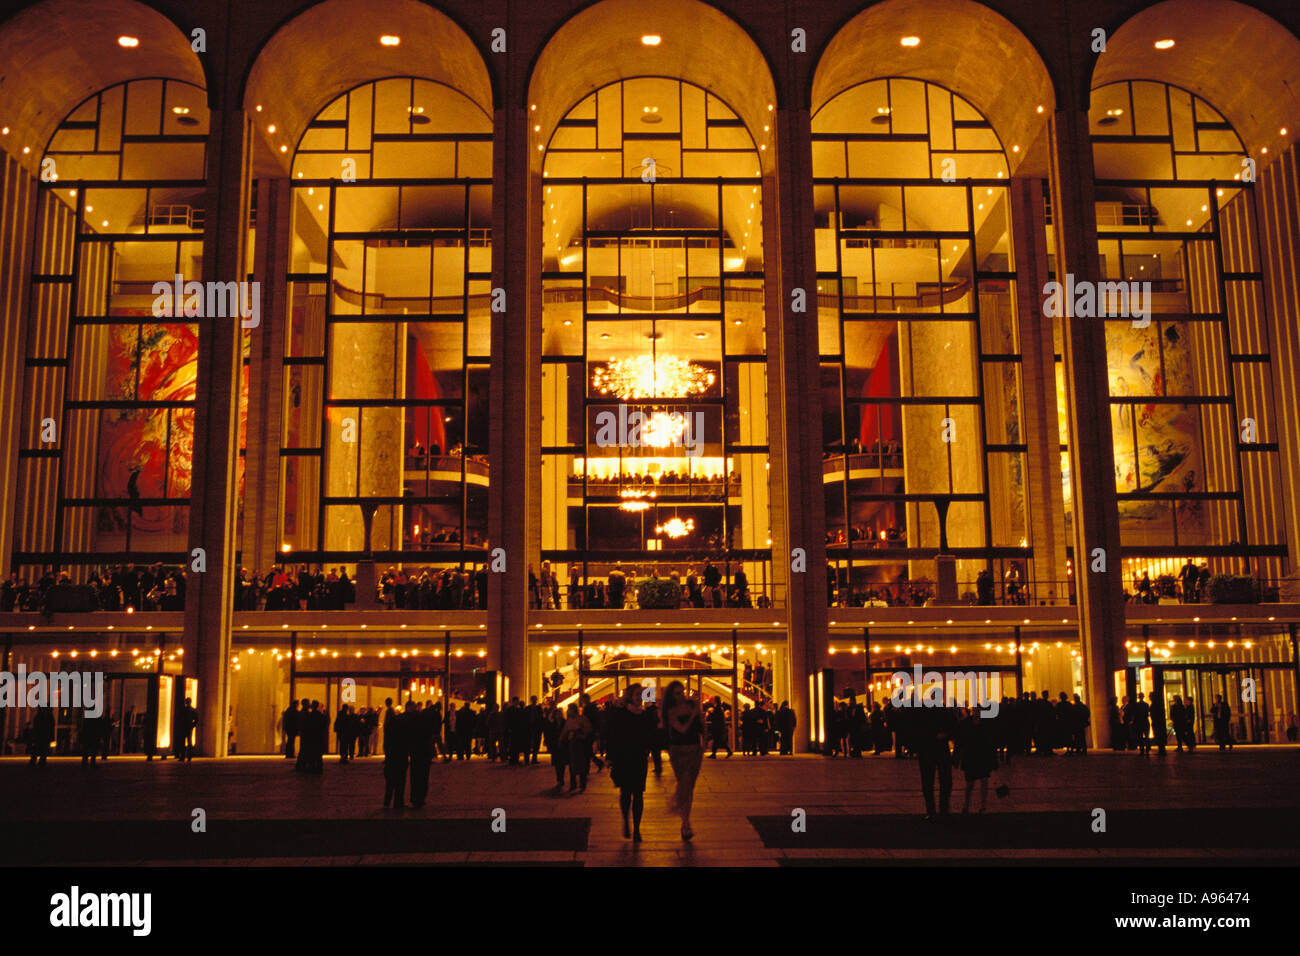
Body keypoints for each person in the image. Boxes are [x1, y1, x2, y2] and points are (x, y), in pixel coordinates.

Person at [606, 684, 654, 841]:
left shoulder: (646, 715)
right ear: (630, 696)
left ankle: (637, 828)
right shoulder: (621, 714)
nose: (639, 697)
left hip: (639, 758)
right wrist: (610, 756)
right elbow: (612, 734)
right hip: (624, 757)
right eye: (636, 694)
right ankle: (626, 820)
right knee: (626, 792)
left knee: (639, 794)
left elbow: (651, 735)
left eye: (641, 694)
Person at [662, 680, 705, 841]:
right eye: (678, 693)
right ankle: (685, 823)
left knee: (689, 787)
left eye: (683, 691)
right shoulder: (671, 710)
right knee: (684, 785)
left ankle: (685, 821)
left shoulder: (691, 705)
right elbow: (682, 729)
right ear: (672, 696)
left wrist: (703, 746)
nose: (682, 696)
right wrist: (693, 715)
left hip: (694, 749)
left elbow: (702, 726)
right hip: (679, 750)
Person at [911, 702, 957, 819]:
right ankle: (943, 809)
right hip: (941, 750)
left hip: (926, 750)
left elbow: (916, 730)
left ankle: (931, 811)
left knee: (927, 781)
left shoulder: (922, 713)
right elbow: (953, 730)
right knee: (945, 781)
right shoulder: (945, 712)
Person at [954, 708, 995, 814]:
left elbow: (960, 741)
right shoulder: (984, 724)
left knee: (978, 782)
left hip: (976, 756)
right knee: (973, 783)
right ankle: (972, 805)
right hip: (975, 756)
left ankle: (976, 805)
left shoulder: (968, 724)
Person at [383, 700, 410, 809]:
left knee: (390, 781)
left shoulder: (390, 730)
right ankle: (398, 802)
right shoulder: (402, 728)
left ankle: (387, 801)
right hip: (400, 757)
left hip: (391, 758)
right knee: (400, 781)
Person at [560, 703, 593, 792]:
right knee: (572, 764)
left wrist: (580, 734)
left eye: (569, 709)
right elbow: (565, 730)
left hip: (580, 744)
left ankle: (582, 784)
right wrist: (561, 739)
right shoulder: (569, 720)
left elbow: (588, 729)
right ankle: (573, 784)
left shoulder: (582, 719)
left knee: (581, 764)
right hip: (571, 744)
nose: (568, 711)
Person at [408, 702, 435, 808]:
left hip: (416, 752)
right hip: (424, 753)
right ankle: (421, 797)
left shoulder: (412, 722)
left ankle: (415, 797)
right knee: (423, 776)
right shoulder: (425, 723)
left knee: (415, 776)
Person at [544, 704, 569, 792]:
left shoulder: (565, 722)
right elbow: (549, 735)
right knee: (557, 764)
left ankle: (561, 779)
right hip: (555, 746)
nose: (558, 716)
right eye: (557, 714)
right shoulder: (552, 724)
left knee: (562, 764)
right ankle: (559, 779)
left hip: (563, 746)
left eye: (559, 714)